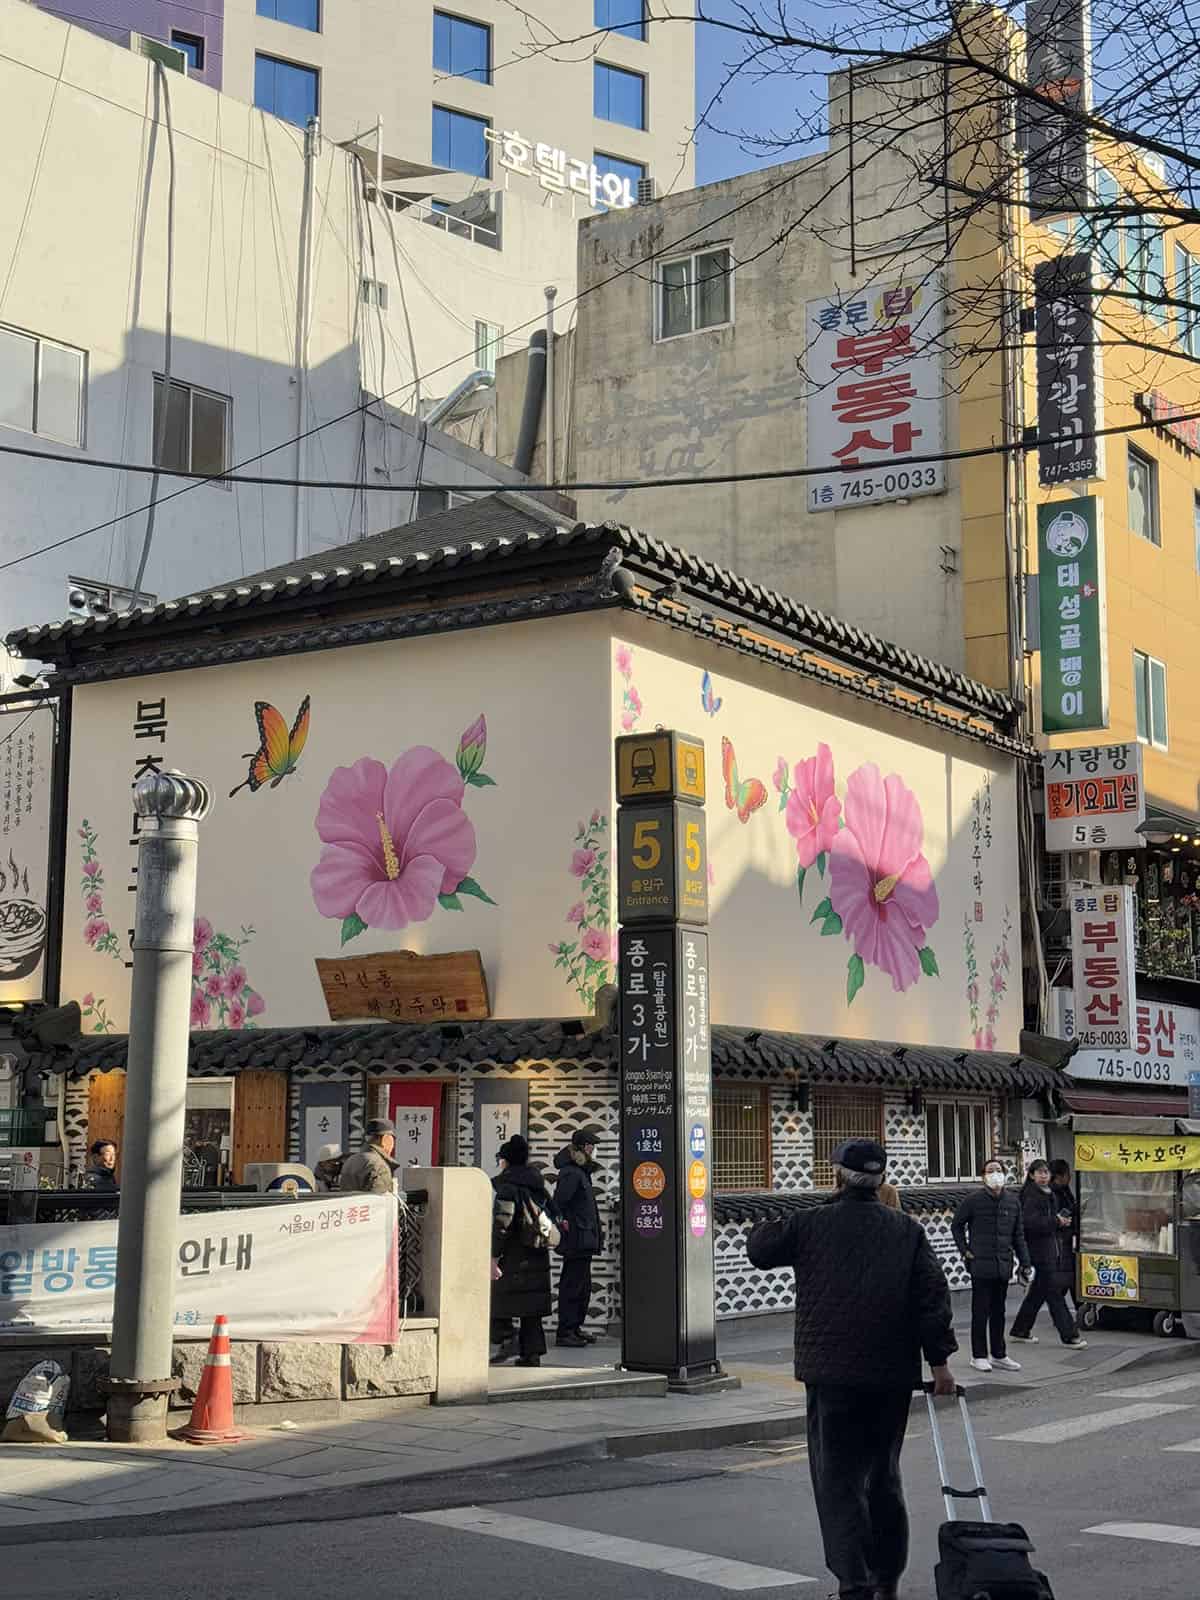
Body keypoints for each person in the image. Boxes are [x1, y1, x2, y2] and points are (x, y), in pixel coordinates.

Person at [747, 1138, 957, 1600]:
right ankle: (886, 1581)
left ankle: (854, 1583)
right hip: (891, 1377)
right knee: (883, 1475)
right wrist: (940, 1364)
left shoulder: (811, 1223)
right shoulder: (907, 1230)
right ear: (883, 1180)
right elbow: (932, 1299)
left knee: (838, 1481)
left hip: (833, 1376)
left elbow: (759, 1247)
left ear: (837, 1175)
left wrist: (823, 1203)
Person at [952, 1158, 1031, 1373]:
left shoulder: (1013, 1201)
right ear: (983, 1176)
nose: (994, 1174)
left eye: (998, 1170)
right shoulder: (973, 1200)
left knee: (999, 1311)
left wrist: (1025, 1262)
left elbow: (1018, 1235)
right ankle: (978, 1355)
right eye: (990, 1171)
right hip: (980, 1263)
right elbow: (956, 1225)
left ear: (1005, 1174)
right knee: (980, 1311)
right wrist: (964, 1250)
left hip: (1003, 1264)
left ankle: (999, 1354)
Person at [1009, 1159, 1088, 1349]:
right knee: (1053, 1291)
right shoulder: (1030, 1195)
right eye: (1040, 1172)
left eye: (1046, 1172)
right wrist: (1056, 1221)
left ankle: (1020, 1330)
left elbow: (1051, 1220)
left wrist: (1061, 1222)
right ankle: (1069, 1335)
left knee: (1038, 1291)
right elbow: (1030, 1223)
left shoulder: (1049, 1193)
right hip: (1036, 1249)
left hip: (1050, 1247)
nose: (1044, 1176)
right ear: (1031, 1175)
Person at [490, 1134, 553, 1368]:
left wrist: (494, 1255)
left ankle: (508, 1337)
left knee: (495, 1299)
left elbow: (502, 1223)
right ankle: (532, 1353)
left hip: (514, 1255)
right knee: (531, 1307)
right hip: (537, 1252)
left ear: (506, 1161)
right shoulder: (537, 1184)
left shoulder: (508, 1187)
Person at [553, 1124, 603, 1348]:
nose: (594, 1150)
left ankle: (575, 1327)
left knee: (582, 1285)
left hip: (584, 1238)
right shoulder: (571, 1173)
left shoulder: (581, 1171)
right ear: (583, 1147)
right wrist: (566, 1224)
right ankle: (565, 1331)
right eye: (592, 1146)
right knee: (572, 1285)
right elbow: (559, 1203)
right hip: (576, 1238)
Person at [1050, 1158, 1079, 1313]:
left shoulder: (1065, 1190)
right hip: (1060, 1241)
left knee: (1071, 1277)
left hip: (1068, 1238)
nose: (1070, 1177)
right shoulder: (1052, 1194)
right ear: (1059, 1176)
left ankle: (1075, 1309)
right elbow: (1058, 1216)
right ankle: (1063, 1312)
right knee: (1066, 1278)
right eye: (1068, 1174)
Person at [338, 1119, 399, 1194]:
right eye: (392, 1139)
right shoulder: (379, 1165)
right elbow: (379, 1202)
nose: (393, 1145)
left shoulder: (350, 1160)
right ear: (385, 1139)